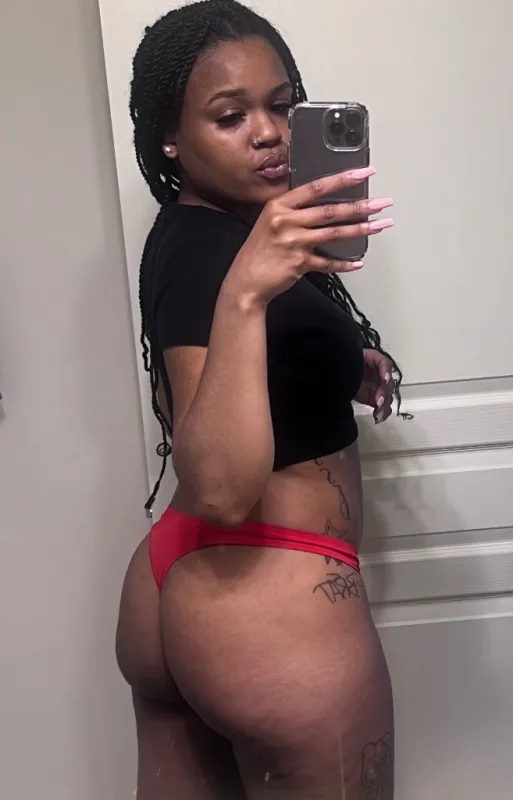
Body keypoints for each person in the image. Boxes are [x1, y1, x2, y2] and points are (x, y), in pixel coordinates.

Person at [116, 2, 407, 797]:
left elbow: (231, 369)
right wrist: (247, 289)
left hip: (195, 582)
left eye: (281, 106)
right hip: (268, 596)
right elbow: (220, 488)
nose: (269, 133)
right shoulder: (218, 254)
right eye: (229, 116)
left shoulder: (212, 232)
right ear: (170, 138)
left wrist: (339, 362)